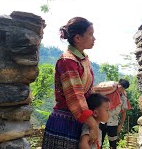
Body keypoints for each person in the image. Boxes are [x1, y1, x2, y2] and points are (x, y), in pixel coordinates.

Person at [42, 17, 97, 148]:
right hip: (64, 124)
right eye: (90, 34)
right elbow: (76, 97)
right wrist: (93, 124)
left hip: (81, 121)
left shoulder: (83, 59)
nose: (94, 38)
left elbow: (89, 92)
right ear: (78, 38)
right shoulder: (67, 61)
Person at [96, 79, 131, 149]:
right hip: (102, 122)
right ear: (118, 85)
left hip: (113, 123)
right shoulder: (108, 93)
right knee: (99, 143)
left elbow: (124, 113)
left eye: (123, 88)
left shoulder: (123, 98)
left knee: (113, 144)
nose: (121, 90)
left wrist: (121, 125)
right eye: (120, 87)